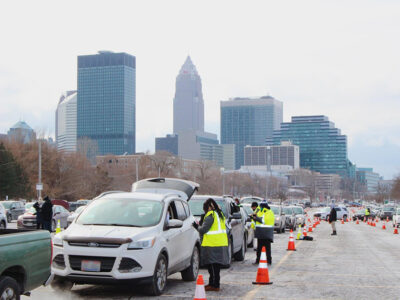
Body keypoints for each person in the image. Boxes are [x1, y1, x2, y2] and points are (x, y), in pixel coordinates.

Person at [192, 198, 229, 292]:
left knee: (212, 266)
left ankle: (214, 285)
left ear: (208, 207)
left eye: (205, 208)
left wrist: (196, 226)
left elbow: (203, 230)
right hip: (220, 243)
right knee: (216, 266)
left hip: (212, 244)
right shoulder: (219, 215)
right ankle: (214, 284)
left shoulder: (210, 215)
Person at [251, 200, 274, 265]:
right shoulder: (267, 212)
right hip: (263, 232)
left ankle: (266, 260)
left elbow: (264, 221)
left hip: (265, 232)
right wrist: (254, 217)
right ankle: (264, 260)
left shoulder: (267, 212)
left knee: (264, 248)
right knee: (262, 248)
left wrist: (256, 218)